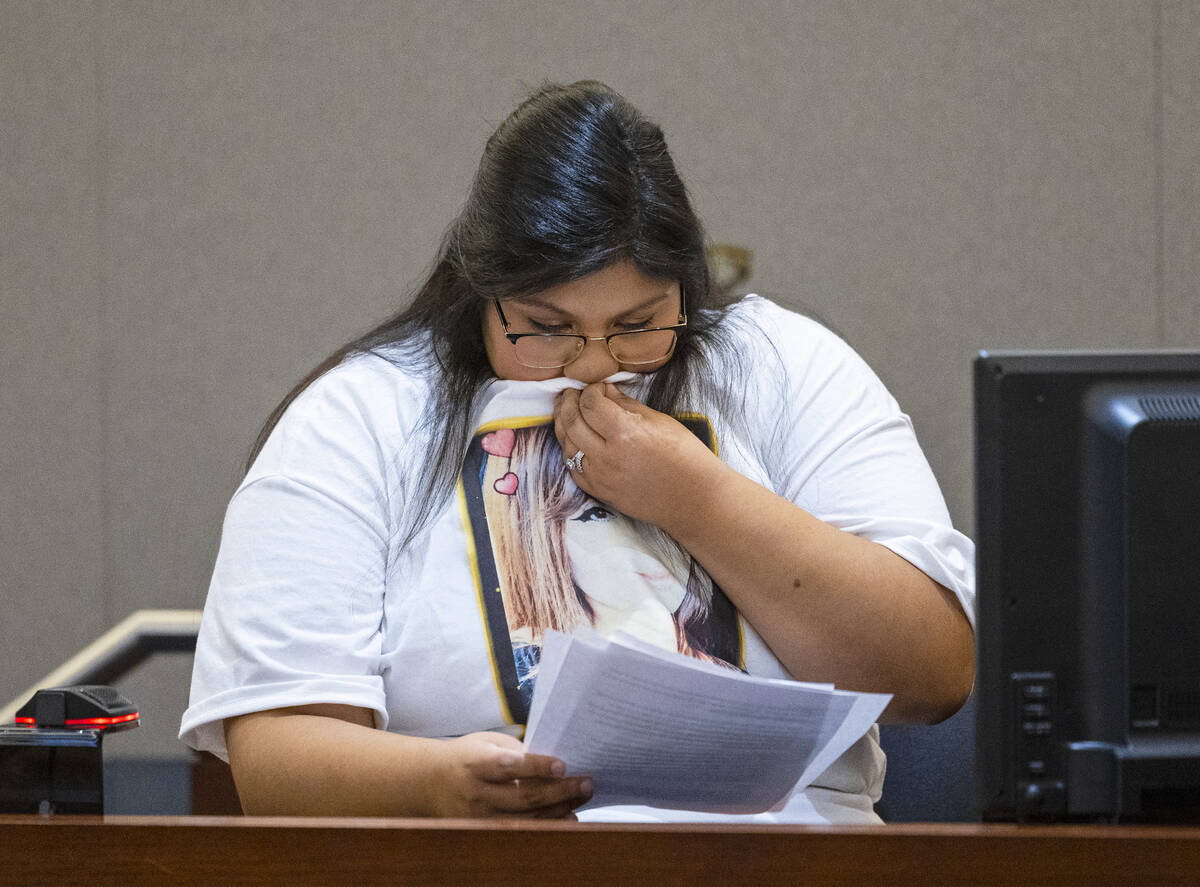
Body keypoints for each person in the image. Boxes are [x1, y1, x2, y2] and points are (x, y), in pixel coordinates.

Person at [180, 80, 976, 823]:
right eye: (548, 327)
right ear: (480, 290)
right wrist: (437, 782)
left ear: (688, 289)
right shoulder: (366, 412)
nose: (596, 364)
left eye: (639, 323)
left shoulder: (781, 364)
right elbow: (275, 752)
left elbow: (935, 672)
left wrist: (698, 497)